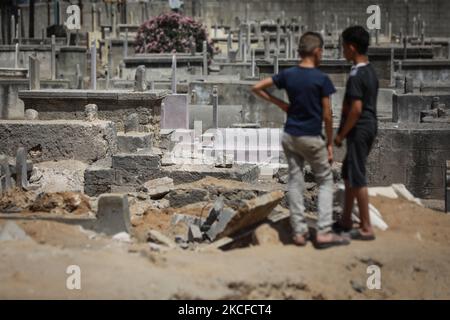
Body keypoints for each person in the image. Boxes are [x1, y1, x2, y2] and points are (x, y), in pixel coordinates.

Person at [252, 32, 349, 249]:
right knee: (324, 181)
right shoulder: (321, 79)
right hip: (312, 137)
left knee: (295, 181)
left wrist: (281, 104)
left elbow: (257, 87)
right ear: (317, 52)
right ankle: (323, 232)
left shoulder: (289, 75)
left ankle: (299, 232)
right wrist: (330, 143)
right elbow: (327, 114)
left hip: (290, 136)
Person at [333, 26, 379, 241]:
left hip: (359, 129)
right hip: (368, 126)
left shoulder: (356, 76)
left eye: (343, 47)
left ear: (351, 48)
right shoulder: (370, 71)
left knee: (357, 175)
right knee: (348, 172)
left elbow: (356, 109)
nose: (342, 51)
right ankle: (345, 220)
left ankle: (366, 227)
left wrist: (341, 134)